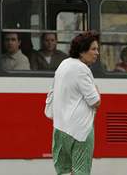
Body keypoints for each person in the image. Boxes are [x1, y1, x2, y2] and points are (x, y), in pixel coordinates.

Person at [47, 31, 101, 175]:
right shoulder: (82, 69)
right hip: (80, 131)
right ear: (82, 51)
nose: (97, 53)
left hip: (60, 128)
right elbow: (95, 101)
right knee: (80, 172)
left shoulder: (64, 64)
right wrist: (97, 90)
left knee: (63, 172)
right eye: (93, 49)